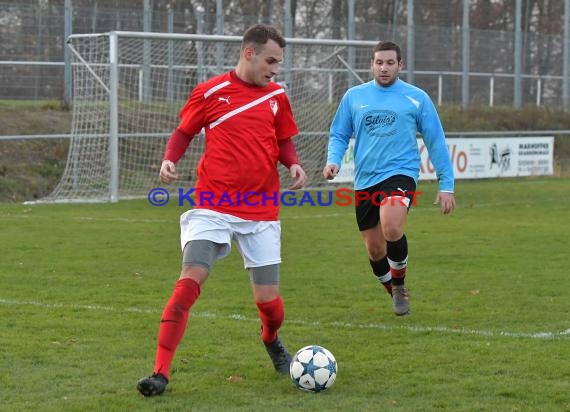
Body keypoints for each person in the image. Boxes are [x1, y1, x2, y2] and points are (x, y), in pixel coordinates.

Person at [137, 24, 307, 397]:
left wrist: (292, 164)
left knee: (270, 306)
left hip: (261, 210)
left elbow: (282, 141)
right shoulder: (210, 92)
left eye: (278, 62)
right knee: (188, 283)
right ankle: (160, 373)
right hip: (212, 205)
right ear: (249, 53)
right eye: (271, 60)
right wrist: (169, 159)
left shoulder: (277, 96)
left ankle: (271, 338)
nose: (275, 69)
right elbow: (184, 132)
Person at [323, 41, 455, 316]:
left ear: (400, 65)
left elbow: (436, 141)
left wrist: (446, 185)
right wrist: (333, 160)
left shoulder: (416, 98)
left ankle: (400, 285)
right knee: (374, 250)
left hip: (401, 172)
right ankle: (394, 290)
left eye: (390, 63)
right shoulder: (354, 96)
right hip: (365, 180)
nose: (384, 68)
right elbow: (338, 133)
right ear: (371, 64)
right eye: (379, 63)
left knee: (392, 227)